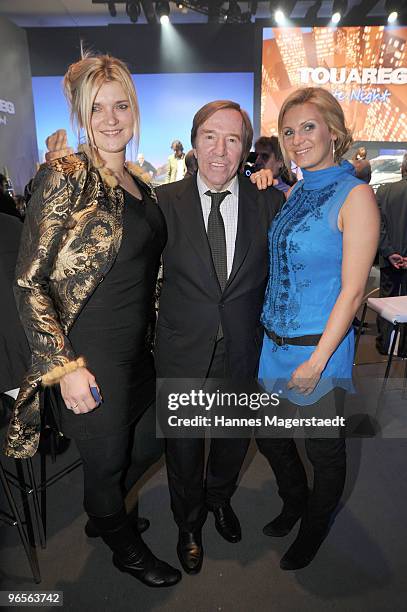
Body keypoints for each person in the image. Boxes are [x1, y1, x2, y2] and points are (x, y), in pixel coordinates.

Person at [4, 54, 181, 588]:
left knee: (150, 440)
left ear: (134, 111)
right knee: (105, 464)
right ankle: (119, 537)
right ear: (81, 115)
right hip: (87, 355)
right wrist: (63, 367)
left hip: (137, 350)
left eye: (120, 105)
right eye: (96, 108)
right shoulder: (65, 174)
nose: (110, 118)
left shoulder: (142, 186)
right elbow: (28, 281)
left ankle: (105, 515)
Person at [155, 100, 285, 574]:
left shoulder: (267, 201)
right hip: (182, 350)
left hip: (242, 349)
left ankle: (219, 498)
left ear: (246, 151)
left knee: (231, 439)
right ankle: (188, 524)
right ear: (194, 143)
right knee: (184, 447)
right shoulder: (162, 202)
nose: (220, 150)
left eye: (233, 140)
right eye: (210, 136)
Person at [256, 87, 379, 570]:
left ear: (333, 130)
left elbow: (352, 292)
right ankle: (295, 500)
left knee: (324, 450)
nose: (297, 138)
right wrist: (267, 181)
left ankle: (315, 525)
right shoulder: (296, 189)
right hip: (273, 343)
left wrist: (317, 360)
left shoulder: (357, 195)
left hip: (318, 348)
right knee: (269, 436)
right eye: (288, 131)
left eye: (308, 126)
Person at [376, 153, 407, 356]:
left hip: (390, 260)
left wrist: (390, 252)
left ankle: (387, 345)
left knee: (387, 301)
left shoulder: (385, 191)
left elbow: (378, 226)